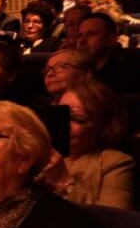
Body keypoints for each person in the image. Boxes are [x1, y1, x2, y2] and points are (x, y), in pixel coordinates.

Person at [39, 79, 134, 210]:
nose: (64, 124)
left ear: (104, 126)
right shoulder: (38, 153)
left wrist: (64, 182)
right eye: (60, 115)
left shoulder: (115, 163)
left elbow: (114, 224)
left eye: (77, 118)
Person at [78, 12, 138, 92]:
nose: (82, 40)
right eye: (80, 35)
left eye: (91, 34)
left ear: (111, 40)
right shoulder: (76, 70)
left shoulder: (130, 73)